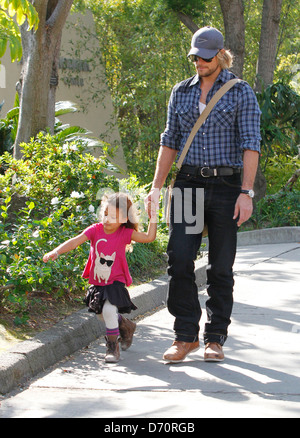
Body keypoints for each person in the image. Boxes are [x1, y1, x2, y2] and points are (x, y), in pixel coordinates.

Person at [145, 26, 261, 363]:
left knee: (221, 267)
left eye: (206, 58)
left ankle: (215, 338)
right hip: (188, 184)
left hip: (227, 187)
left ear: (220, 56)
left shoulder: (241, 93)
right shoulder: (180, 92)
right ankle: (185, 336)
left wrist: (246, 192)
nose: (199, 62)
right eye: (195, 56)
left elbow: (251, 144)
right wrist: (156, 187)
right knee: (179, 258)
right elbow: (169, 141)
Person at [43, 192, 157, 363]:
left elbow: (149, 237)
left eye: (113, 216)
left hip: (115, 281)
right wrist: (56, 251)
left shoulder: (124, 233)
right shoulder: (95, 230)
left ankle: (113, 347)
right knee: (102, 314)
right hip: (98, 281)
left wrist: (153, 217)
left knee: (109, 310)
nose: (107, 219)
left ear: (124, 218)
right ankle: (126, 325)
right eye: (105, 214)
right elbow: (75, 241)